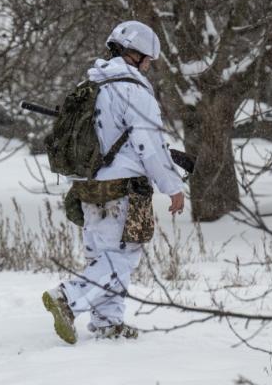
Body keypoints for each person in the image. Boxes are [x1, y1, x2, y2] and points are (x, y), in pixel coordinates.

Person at [42, 21, 186, 343]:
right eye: (149, 59)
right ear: (135, 55)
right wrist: (173, 187)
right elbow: (151, 146)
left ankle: (109, 323)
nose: (149, 66)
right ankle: (68, 297)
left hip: (88, 188)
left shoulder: (92, 86)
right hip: (122, 191)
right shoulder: (134, 92)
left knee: (102, 257)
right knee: (120, 258)